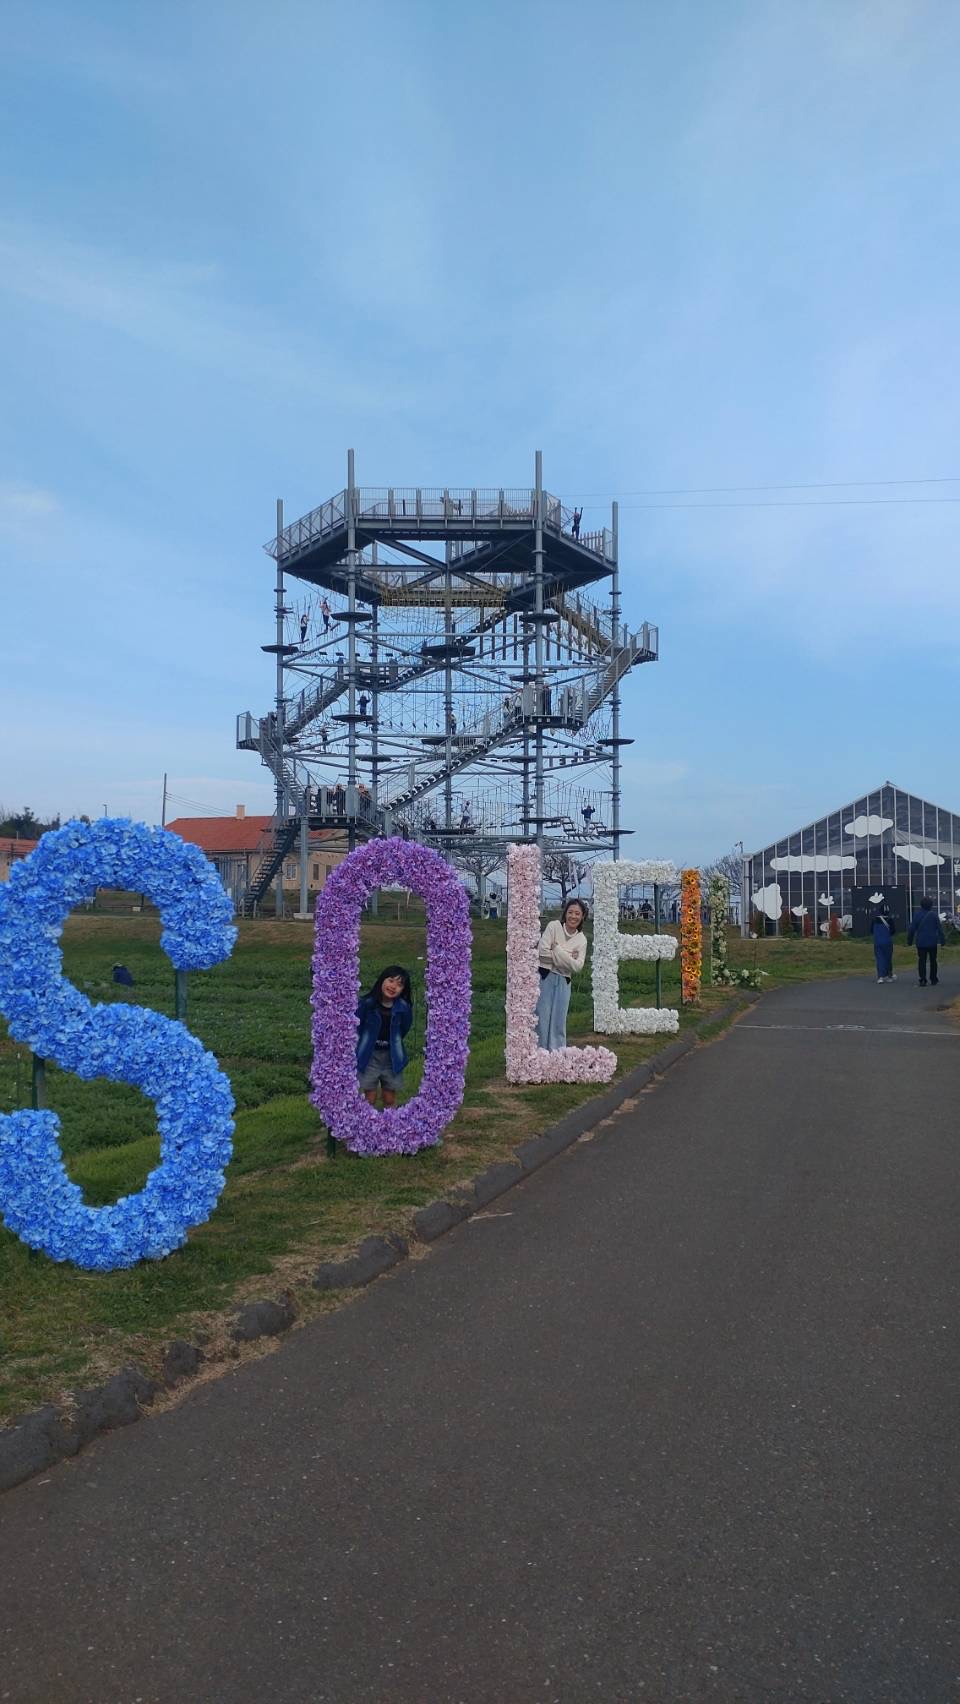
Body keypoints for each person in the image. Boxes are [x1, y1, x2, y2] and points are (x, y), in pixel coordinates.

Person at [356, 966, 413, 1108]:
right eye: (391, 981)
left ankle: (390, 1120)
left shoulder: (403, 1008)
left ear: (403, 989)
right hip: (369, 1056)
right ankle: (368, 1120)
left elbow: (405, 1028)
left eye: (399, 984)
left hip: (391, 1057)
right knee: (369, 1098)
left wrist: (394, 1040)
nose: (393, 986)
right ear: (382, 980)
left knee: (389, 1097)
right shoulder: (367, 1003)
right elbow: (358, 1025)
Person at [536, 898, 589, 1050]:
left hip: (564, 981)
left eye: (577, 913)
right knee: (542, 1017)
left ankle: (557, 1054)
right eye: (570, 912)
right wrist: (568, 957)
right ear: (565, 913)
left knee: (559, 1020)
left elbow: (577, 967)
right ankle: (539, 1053)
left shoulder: (581, 940)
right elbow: (541, 953)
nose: (573, 916)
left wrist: (557, 949)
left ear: (582, 916)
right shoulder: (554, 926)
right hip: (545, 976)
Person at [907, 895, 946, 986]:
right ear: (931, 905)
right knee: (933, 960)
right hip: (932, 941)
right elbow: (939, 929)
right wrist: (942, 940)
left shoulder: (917, 915)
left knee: (922, 961)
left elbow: (912, 929)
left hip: (921, 942)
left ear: (921, 905)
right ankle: (933, 978)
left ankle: (923, 979)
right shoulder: (934, 915)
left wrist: (909, 941)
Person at [869, 907, 896, 983]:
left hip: (877, 942)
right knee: (888, 959)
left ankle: (880, 977)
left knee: (879, 959)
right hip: (887, 942)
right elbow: (893, 931)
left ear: (880, 911)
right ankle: (889, 975)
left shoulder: (874, 920)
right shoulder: (890, 920)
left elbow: (871, 931)